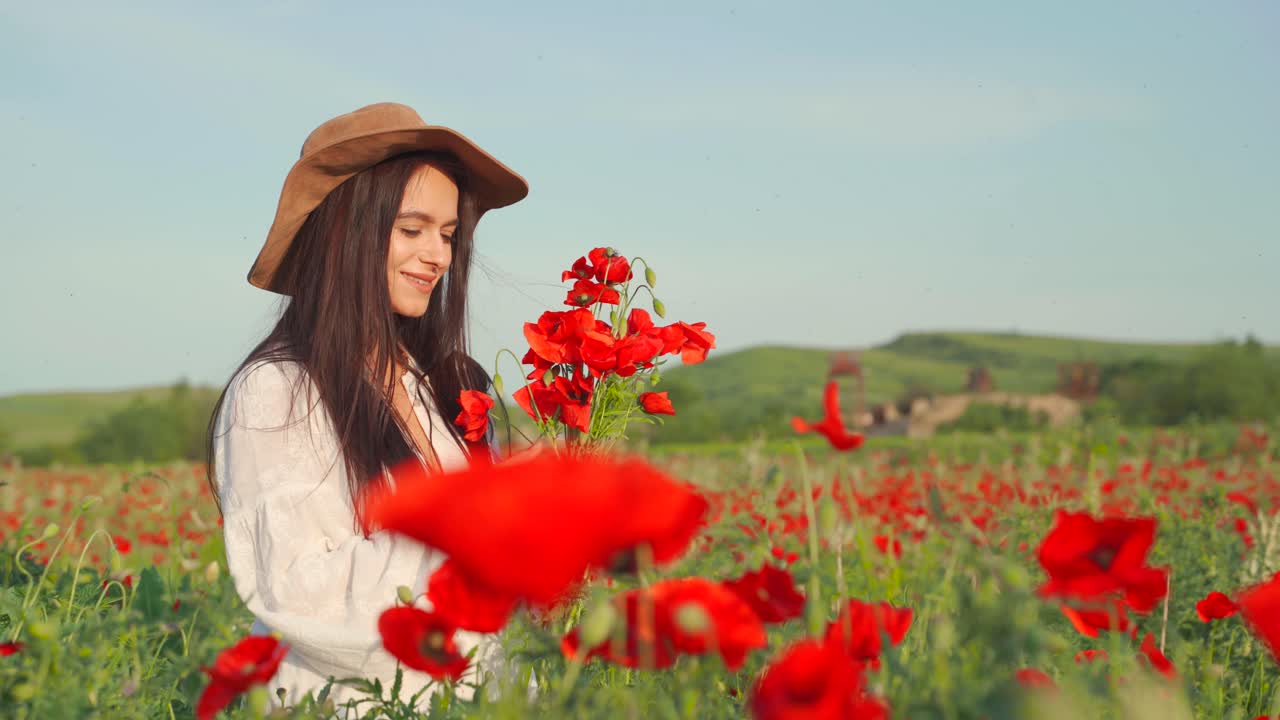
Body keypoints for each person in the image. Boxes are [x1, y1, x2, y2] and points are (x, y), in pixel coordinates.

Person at [204, 102, 530, 714]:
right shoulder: (278, 391)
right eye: (412, 230)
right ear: (344, 234)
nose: (439, 256)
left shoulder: (441, 384)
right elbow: (300, 591)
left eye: (447, 235)